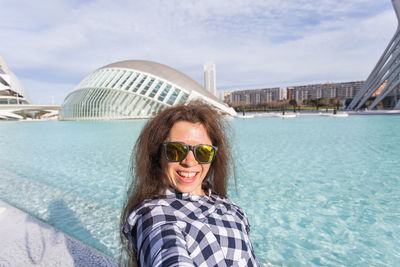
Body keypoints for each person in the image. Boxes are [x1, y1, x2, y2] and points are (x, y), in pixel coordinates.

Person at [120, 102, 260, 266]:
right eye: (176, 150)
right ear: (158, 154)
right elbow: (167, 251)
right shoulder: (156, 215)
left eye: (203, 152)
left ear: (214, 156)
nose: (190, 162)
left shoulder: (228, 206)